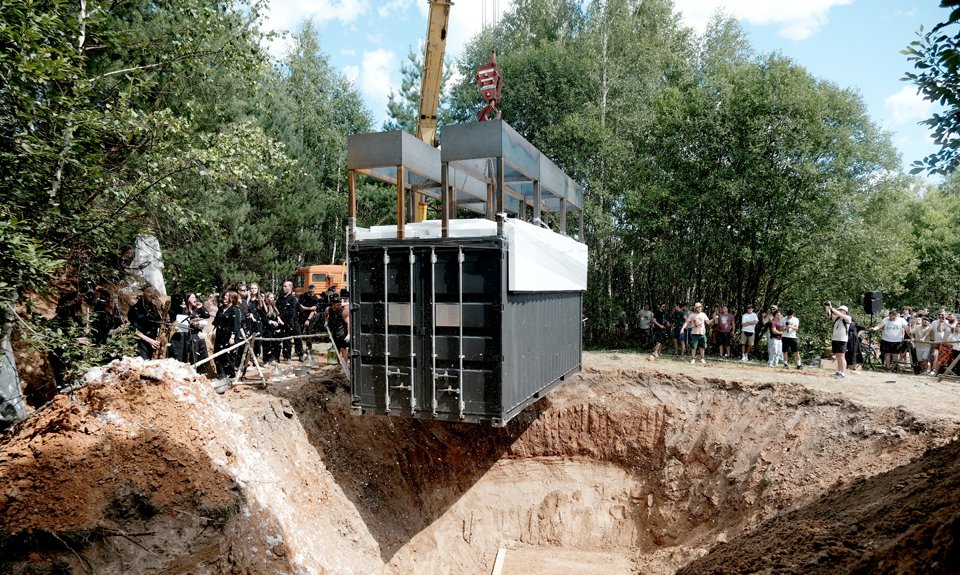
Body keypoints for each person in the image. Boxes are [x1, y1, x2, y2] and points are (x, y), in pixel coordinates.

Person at [212, 290, 243, 379]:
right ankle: (221, 375)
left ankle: (230, 376)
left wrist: (232, 337)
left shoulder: (235, 310)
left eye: (227, 296)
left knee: (228, 357)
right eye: (224, 296)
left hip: (230, 336)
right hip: (220, 336)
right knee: (218, 355)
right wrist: (213, 331)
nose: (224, 297)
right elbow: (216, 322)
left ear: (232, 298)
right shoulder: (221, 308)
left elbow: (236, 325)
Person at [128, 285, 163, 360]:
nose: (152, 295)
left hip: (154, 341)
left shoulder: (153, 307)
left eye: (153, 293)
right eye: (149, 292)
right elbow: (133, 330)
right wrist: (149, 340)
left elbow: (159, 322)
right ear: (143, 293)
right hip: (141, 343)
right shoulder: (134, 309)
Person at [824, 302, 851, 379]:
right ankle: (838, 371)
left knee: (842, 356)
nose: (839, 311)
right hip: (835, 339)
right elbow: (829, 315)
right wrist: (827, 307)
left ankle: (842, 373)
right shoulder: (837, 319)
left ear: (845, 311)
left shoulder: (847, 318)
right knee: (838, 357)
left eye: (841, 310)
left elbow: (838, 314)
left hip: (842, 340)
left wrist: (832, 308)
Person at [276, 280, 299, 363]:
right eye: (283, 286)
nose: (283, 288)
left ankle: (287, 356)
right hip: (279, 321)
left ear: (290, 287)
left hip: (288, 322)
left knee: (287, 340)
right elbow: (277, 308)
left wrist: (285, 321)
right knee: (278, 339)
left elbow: (292, 312)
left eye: (285, 286)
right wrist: (278, 318)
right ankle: (276, 357)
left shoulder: (293, 299)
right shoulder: (281, 297)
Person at [324, 292, 350, 364]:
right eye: (337, 304)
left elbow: (348, 323)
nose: (339, 306)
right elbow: (326, 315)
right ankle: (338, 365)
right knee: (337, 349)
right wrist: (326, 322)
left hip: (342, 332)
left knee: (343, 349)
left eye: (340, 304)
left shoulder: (343, 312)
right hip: (334, 331)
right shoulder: (328, 309)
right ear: (333, 304)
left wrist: (348, 334)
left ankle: (345, 364)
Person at [297, 284, 321, 358]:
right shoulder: (303, 296)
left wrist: (308, 319)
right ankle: (298, 350)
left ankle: (309, 350)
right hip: (301, 317)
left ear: (315, 289)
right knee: (298, 334)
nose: (311, 290)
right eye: (310, 288)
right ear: (308, 288)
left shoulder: (315, 298)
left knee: (309, 333)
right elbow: (301, 307)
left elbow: (314, 310)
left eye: (313, 288)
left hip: (310, 317)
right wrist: (310, 308)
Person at [261, 292, 282, 365]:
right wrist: (271, 321)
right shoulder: (264, 306)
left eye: (273, 298)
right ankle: (266, 360)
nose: (272, 299)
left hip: (275, 329)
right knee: (267, 344)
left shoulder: (274, 306)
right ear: (267, 298)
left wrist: (279, 319)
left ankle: (274, 358)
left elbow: (277, 314)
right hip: (267, 328)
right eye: (270, 297)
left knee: (276, 344)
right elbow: (263, 317)